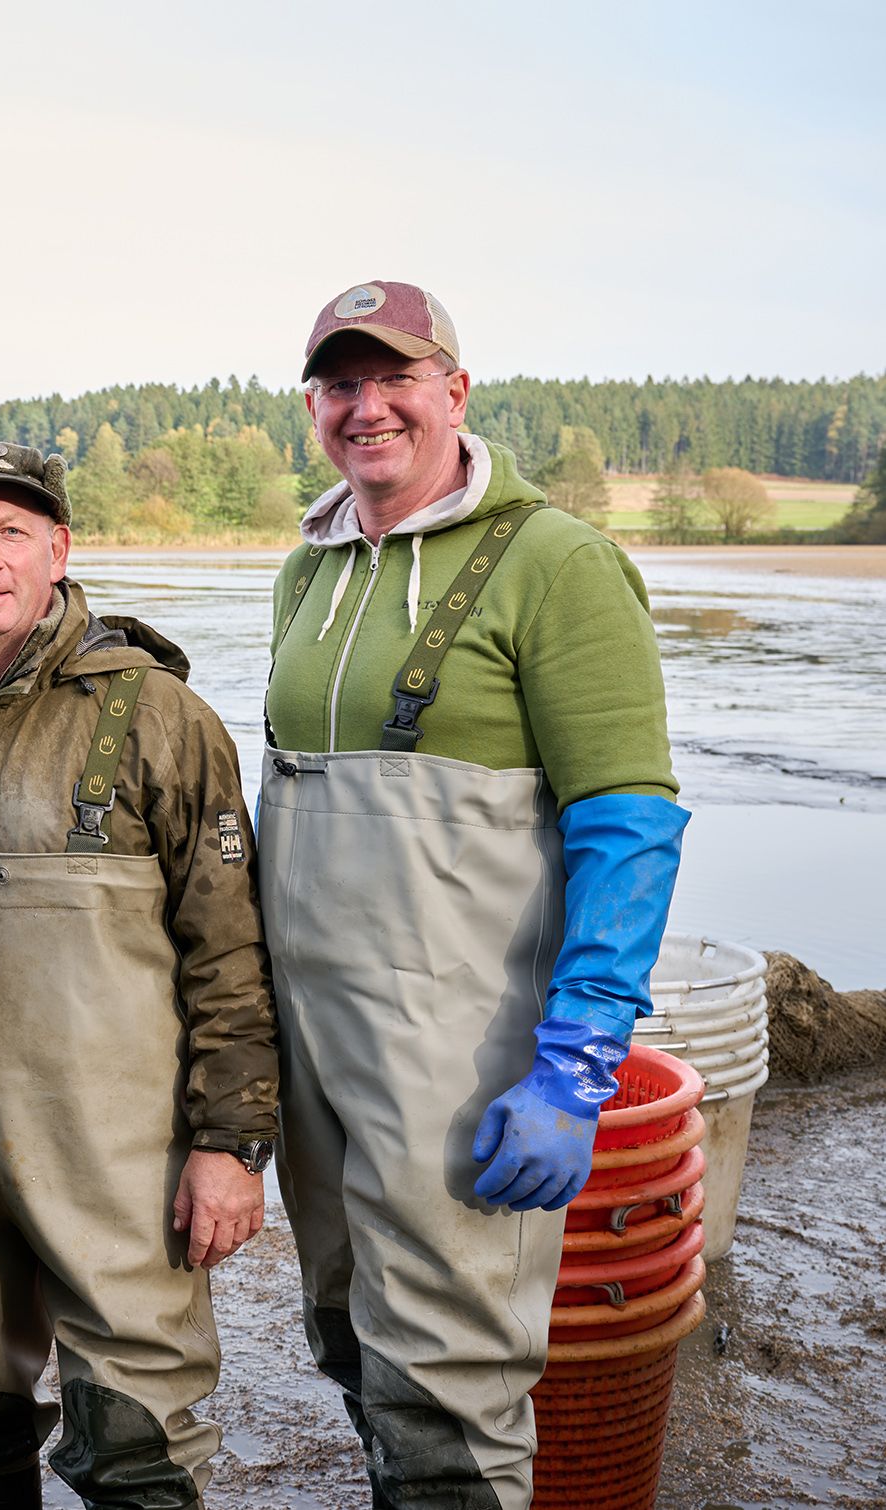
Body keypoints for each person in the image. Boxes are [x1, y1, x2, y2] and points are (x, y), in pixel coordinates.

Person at [259, 282, 688, 1509]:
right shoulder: (305, 570)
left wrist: (574, 1064)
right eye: (339, 383)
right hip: (314, 1058)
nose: (366, 406)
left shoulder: (558, 563)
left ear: (453, 388)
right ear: (312, 407)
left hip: (460, 1057)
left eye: (394, 376)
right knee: (347, 1337)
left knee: (450, 1383)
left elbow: (628, 824)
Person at [0, 439, 280, 1509]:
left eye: (10, 531)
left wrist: (232, 1145)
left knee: (133, 1440)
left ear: (58, 548)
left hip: (121, 1162)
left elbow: (230, 949)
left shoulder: (158, 715)